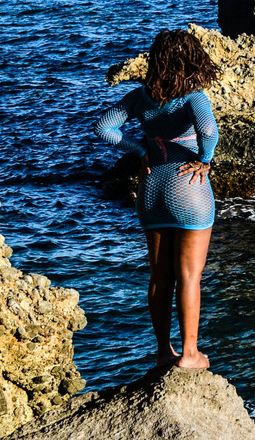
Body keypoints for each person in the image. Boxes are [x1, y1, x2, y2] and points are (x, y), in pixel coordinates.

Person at [94, 29, 220, 369]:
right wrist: (204, 161)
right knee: (189, 276)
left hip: (151, 189)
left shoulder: (139, 97)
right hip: (188, 187)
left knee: (159, 275)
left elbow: (104, 128)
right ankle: (190, 354)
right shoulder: (194, 97)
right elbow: (208, 131)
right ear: (192, 59)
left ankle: (164, 351)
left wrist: (139, 151)